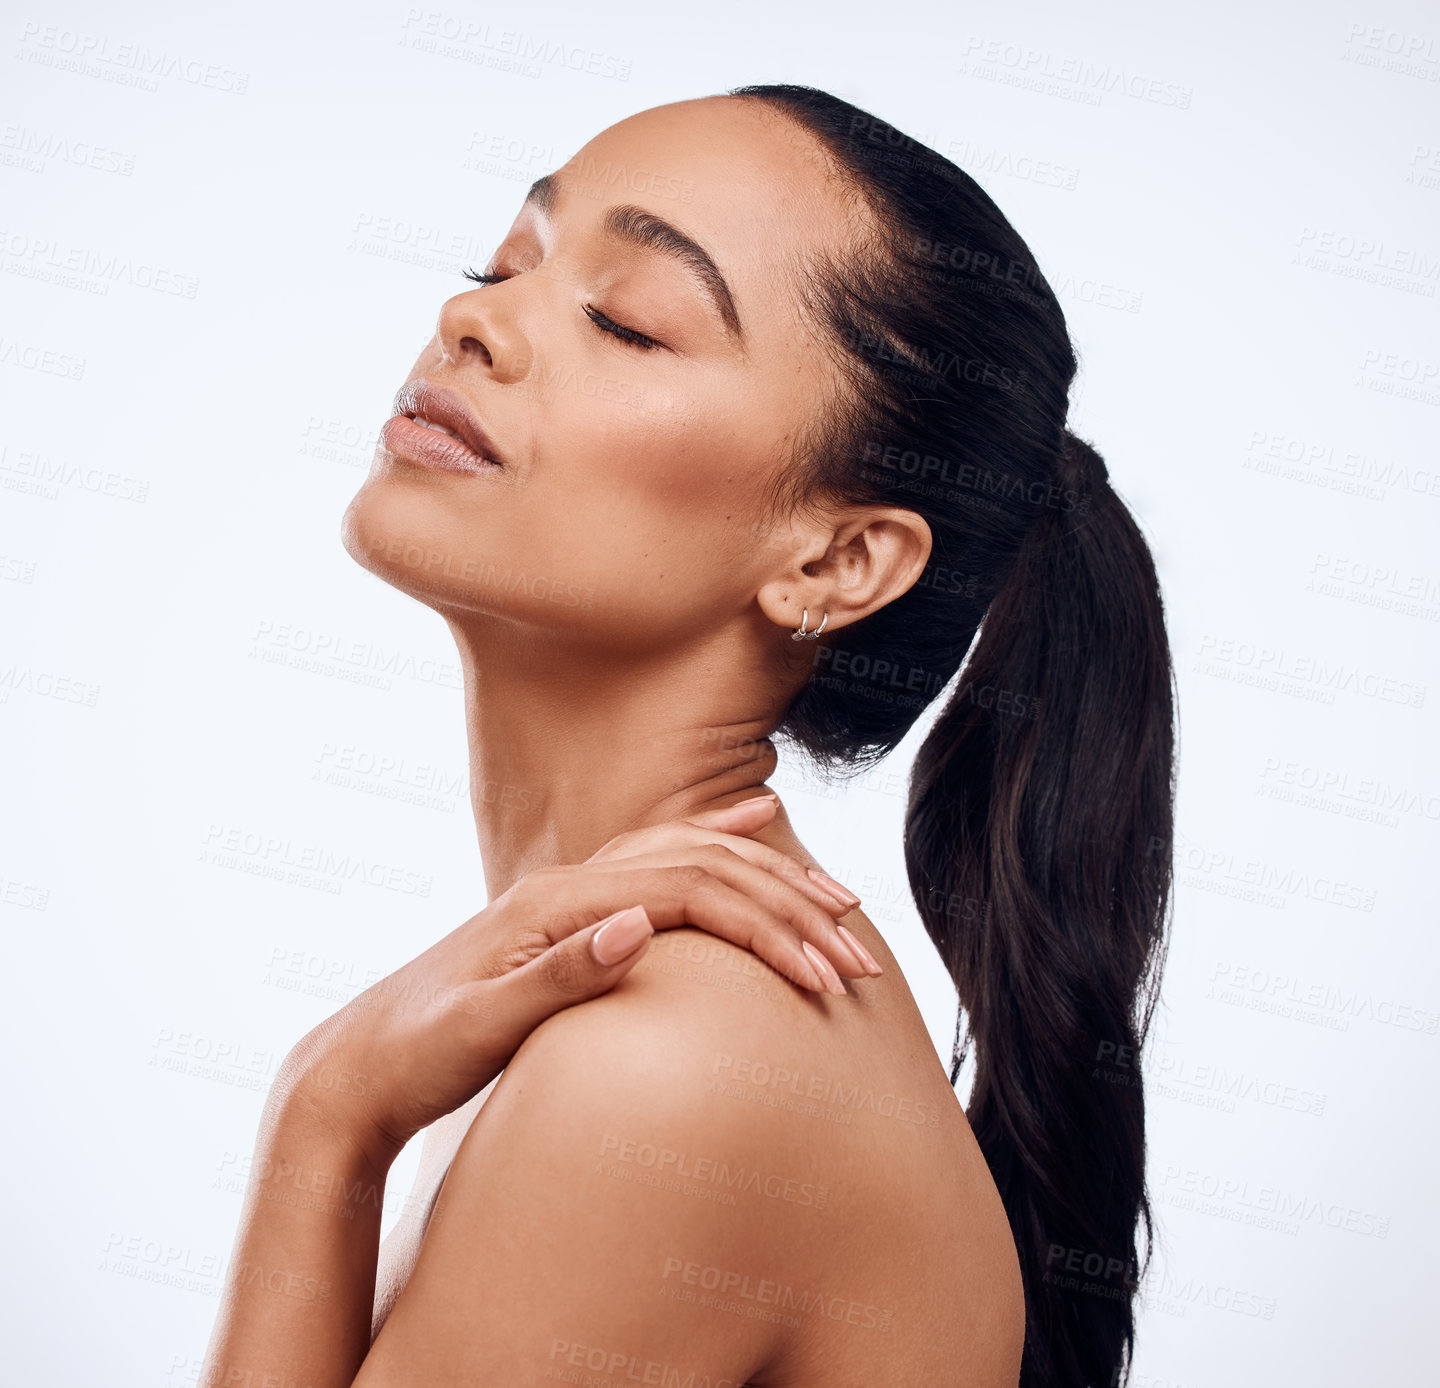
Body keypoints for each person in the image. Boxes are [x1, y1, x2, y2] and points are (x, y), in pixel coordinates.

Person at [201, 83, 1175, 1388]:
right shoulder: (650, 1018)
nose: (472, 319)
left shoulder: (674, 1070)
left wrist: (324, 1118)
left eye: (627, 321)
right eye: (505, 264)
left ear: (838, 560)